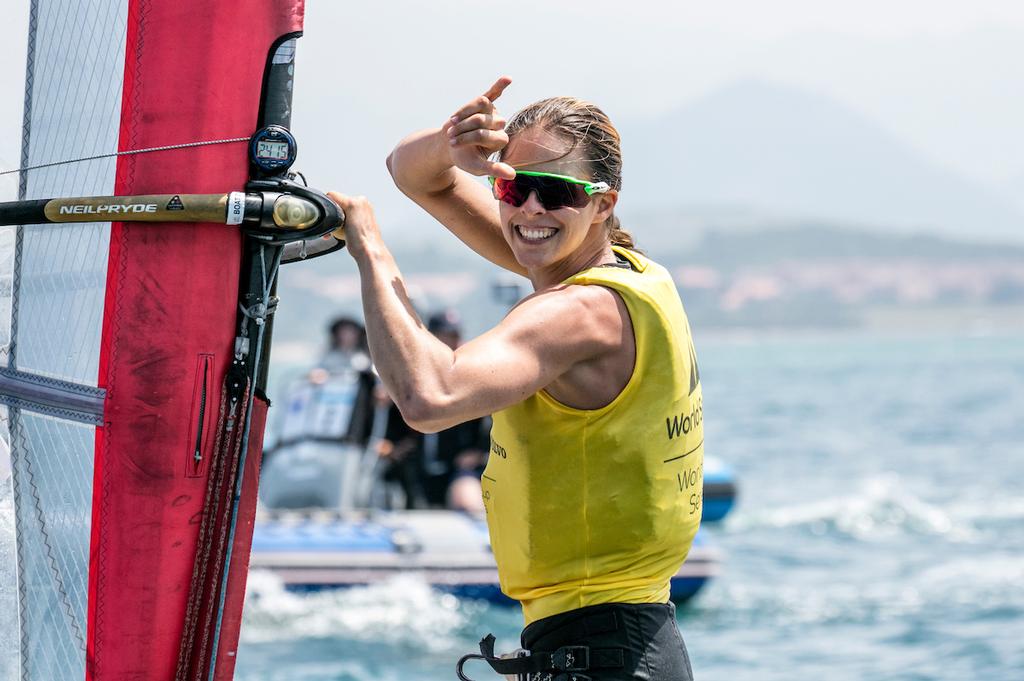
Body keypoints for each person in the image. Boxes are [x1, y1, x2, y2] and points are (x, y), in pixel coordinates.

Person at [328, 77, 704, 680]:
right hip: (622, 641)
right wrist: (455, 145)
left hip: (602, 652)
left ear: (603, 204)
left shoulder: (579, 313)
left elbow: (430, 397)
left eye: (556, 194)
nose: (530, 209)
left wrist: (369, 249)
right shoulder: (628, 272)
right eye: (514, 186)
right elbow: (409, 169)